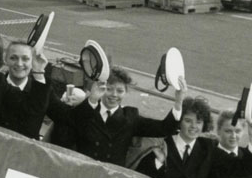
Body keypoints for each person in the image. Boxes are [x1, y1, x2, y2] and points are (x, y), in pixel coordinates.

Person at [47, 68, 186, 168]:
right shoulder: (87, 111)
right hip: (81, 173)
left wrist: (178, 102)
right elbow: (67, 119)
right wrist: (91, 100)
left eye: (120, 91)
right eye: (109, 89)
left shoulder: (131, 118)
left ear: (126, 93)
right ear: (101, 89)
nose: (114, 94)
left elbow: (163, 128)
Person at [0, 42, 51, 139]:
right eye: (13, 58)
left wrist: (83, 99)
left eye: (25, 59)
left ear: (33, 61)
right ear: (5, 60)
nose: (19, 64)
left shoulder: (42, 88)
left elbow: (66, 117)